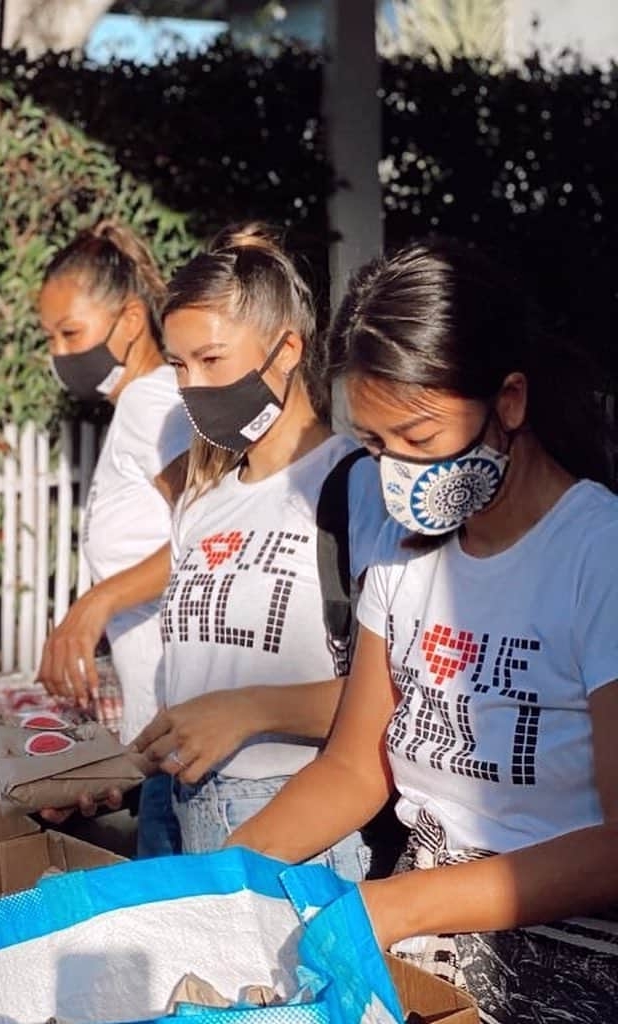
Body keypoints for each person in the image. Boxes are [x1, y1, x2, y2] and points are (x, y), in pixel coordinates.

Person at [228, 239, 618, 1022]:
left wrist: (402, 905)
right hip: (417, 939)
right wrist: (220, 881)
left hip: (563, 959)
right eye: (374, 446)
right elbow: (354, 769)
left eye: (418, 439)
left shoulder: (596, 554)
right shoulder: (405, 561)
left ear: (508, 401)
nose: (396, 474)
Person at [132, 223, 386, 877]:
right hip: (188, 815)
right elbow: (193, 681)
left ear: (287, 350)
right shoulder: (201, 501)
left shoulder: (356, 486)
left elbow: (404, 699)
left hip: (305, 832)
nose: (193, 387)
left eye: (212, 360)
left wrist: (252, 710)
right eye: (179, 366)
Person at [36, 220, 191, 858]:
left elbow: (212, 534)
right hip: (159, 739)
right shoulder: (137, 411)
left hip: (185, 741)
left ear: (130, 321)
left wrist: (91, 606)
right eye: (49, 337)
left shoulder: (152, 405)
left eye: (71, 333)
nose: (59, 353)